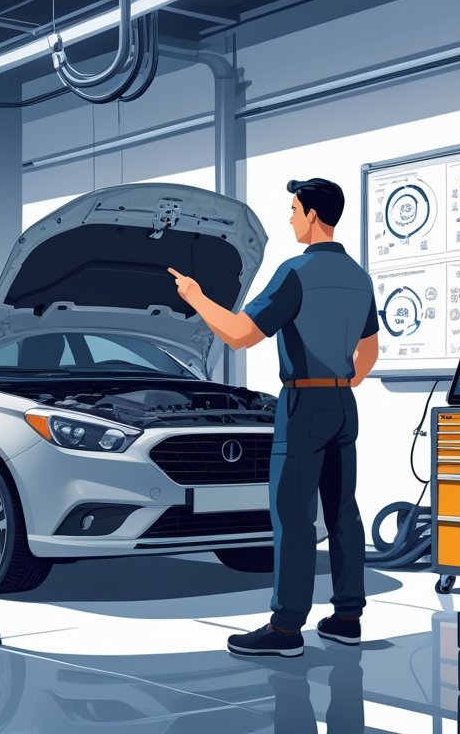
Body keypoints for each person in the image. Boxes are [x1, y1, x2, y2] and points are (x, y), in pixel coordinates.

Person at [168, 178, 379, 658]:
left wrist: (196, 297)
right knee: (343, 510)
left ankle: (285, 629)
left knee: (294, 515)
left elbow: (241, 334)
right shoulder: (359, 277)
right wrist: (342, 382)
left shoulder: (295, 273)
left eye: (292, 208)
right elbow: (369, 351)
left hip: (303, 404)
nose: (289, 218)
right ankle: (348, 617)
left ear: (310, 215)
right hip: (344, 404)